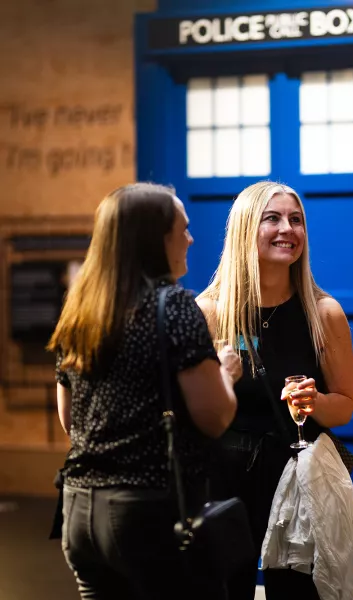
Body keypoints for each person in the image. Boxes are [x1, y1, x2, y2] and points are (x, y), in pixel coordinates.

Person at [48, 182, 242, 600]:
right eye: (183, 229)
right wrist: (226, 373)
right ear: (155, 238)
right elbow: (214, 416)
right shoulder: (172, 306)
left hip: (79, 510)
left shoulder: (80, 310)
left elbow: (69, 420)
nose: (191, 238)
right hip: (147, 513)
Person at [196, 180, 353, 600]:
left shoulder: (324, 313)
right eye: (273, 218)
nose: (288, 229)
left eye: (296, 220)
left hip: (295, 479)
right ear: (246, 229)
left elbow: (343, 407)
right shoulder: (209, 313)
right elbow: (189, 411)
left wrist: (316, 401)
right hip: (224, 480)